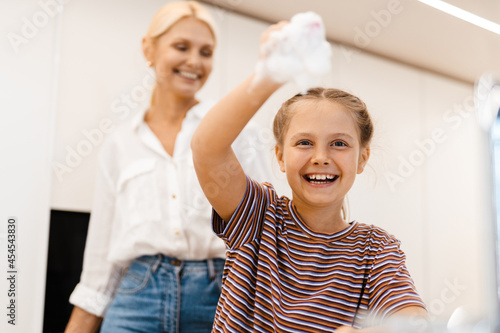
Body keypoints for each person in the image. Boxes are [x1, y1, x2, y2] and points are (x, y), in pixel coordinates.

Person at [191, 22, 428, 332]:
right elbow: (206, 147)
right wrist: (267, 77)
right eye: (304, 142)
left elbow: (413, 321)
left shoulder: (376, 248)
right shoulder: (258, 217)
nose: (321, 157)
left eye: (339, 144)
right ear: (279, 156)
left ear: (362, 158)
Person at [64, 2, 274, 332]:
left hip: (220, 296)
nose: (194, 61)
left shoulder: (239, 131)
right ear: (149, 49)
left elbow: (267, 229)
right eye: (181, 47)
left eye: (206, 52)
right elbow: (101, 251)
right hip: (136, 296)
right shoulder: (120, 144)